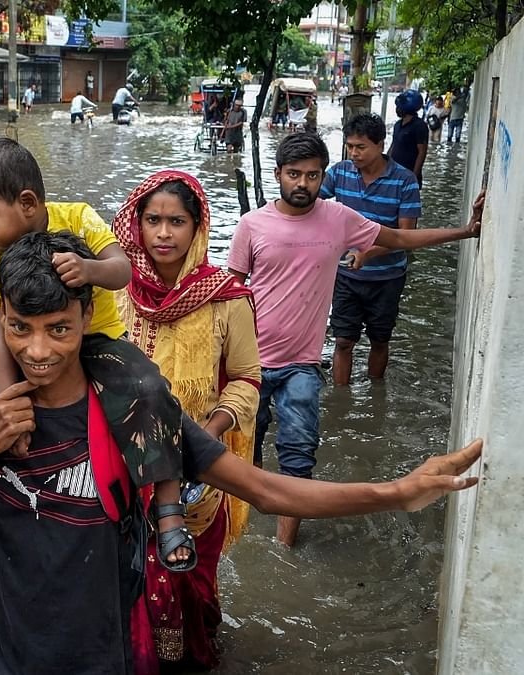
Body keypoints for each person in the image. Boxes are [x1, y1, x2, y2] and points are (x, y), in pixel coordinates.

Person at [0, 229, 485, 674]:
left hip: (103, 657)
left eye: (59, 328)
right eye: (21, 327)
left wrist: (400, 492)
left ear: (87, 319)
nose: (39, 350)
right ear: (2, 319)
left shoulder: (131, 406)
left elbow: (264, 487)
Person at [0, 138, 194, 570]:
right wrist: (11, 411)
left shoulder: (77, 217)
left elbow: (122, 270)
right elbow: (0, 337)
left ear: (27, 203)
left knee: (150, 387)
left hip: (96, 345)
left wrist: (88, 269)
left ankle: (168, 508)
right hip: (24, 353)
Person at [227, 133, 485, 547]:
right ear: (278, 175)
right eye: (294, 174)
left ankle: (282, 549)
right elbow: (230, 294)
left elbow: (397, 239)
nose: (303, 184)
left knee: (298, 458)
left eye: (313, 175)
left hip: (302, 365)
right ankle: (237, 535)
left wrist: (465, 232)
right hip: (248, 363)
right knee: (242, 452)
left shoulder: (338, 218)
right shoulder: (251, 226)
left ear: (323, 176)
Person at [111, 171, 260, 672]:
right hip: (120, 469)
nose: (163, 233)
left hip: (197, 476)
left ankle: (192, 656)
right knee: (123, 584)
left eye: (177, 221)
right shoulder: (115, 289)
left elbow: (246, 380)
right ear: (137, 223)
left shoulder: (228, 298)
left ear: (198, 229)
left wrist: (209, 434)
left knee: (191, 583)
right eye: (152, 220)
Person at [320, 114, 422, 386]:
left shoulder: (405, 181)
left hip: (387, 278)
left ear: (380, 144)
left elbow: (406, 235)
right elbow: (310, 202)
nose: (354, 153)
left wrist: (367, 254)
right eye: (350, 146)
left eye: (361, 147)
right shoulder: (340, 173)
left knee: (380, 339)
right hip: (346, 276)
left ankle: (376, 390)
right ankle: (341, 399)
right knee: (342, 340)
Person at [390, 90, 429, 186]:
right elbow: (393, 146)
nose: (397, 109)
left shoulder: (419, 126)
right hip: (394, 174)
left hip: (408, 175)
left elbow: (422, 152)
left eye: (399, 107)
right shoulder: (398, 125)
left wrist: (413, 176)